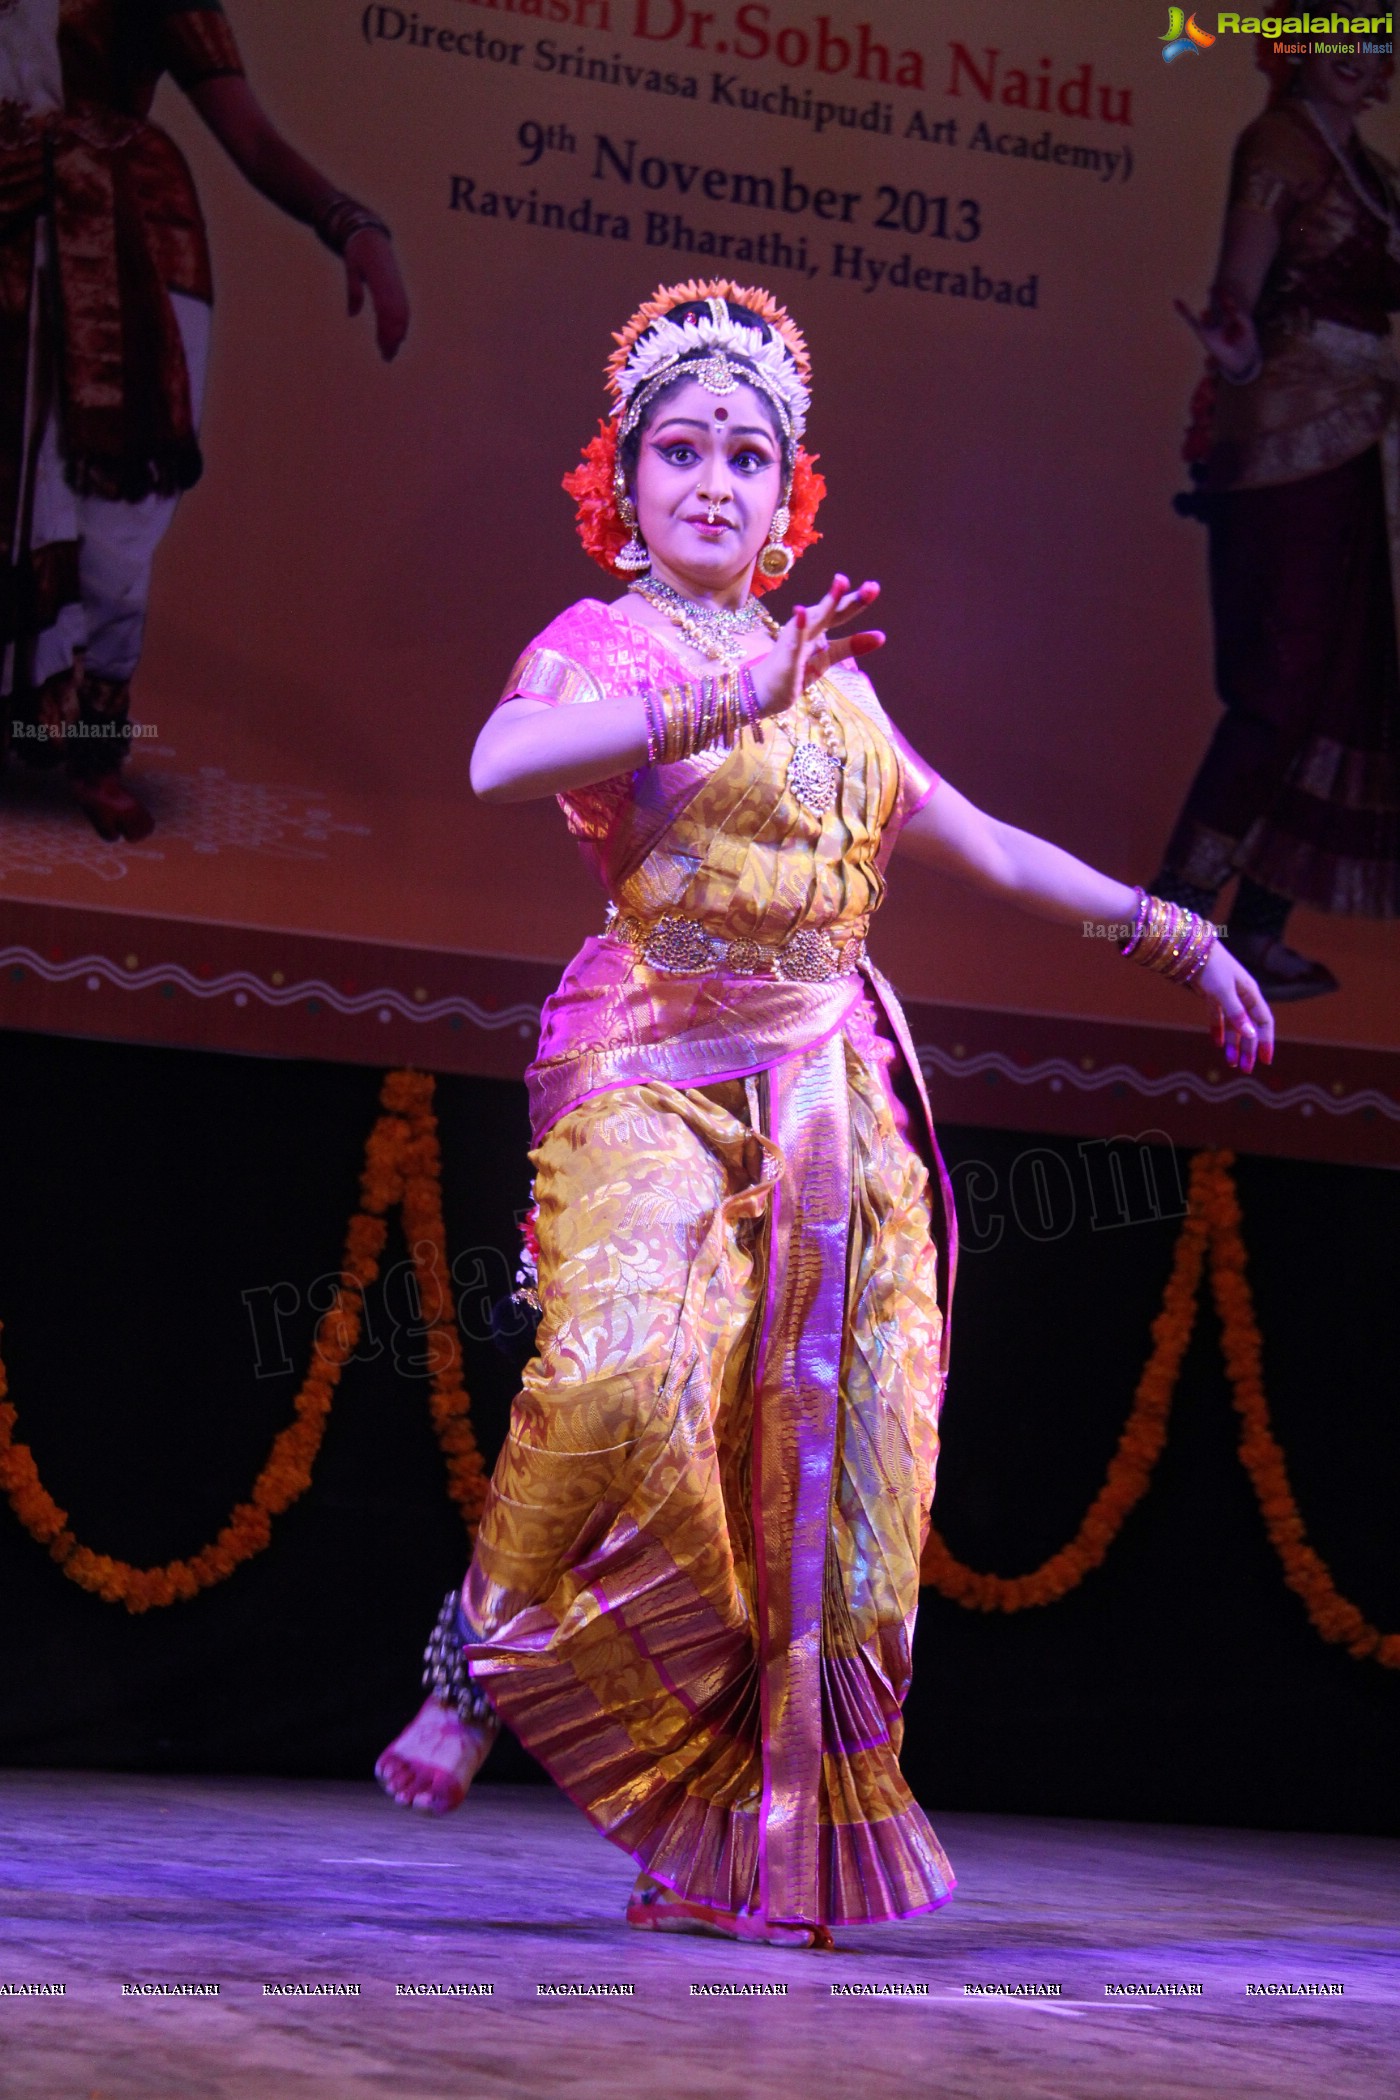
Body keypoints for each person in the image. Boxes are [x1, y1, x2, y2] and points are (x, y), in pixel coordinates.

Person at [375, 280, 1275, 1949]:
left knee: (815, 1503)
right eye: (678, 451)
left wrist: (1182, 934)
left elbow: (989, 847)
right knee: (614, 1375)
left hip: (828, 1098)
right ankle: (476, 1653)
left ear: (787, 490)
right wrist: (716, 702)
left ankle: (726, 1838)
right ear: (624, 481)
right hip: (651, 1070)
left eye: (748, 455)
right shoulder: (604, 644)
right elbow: (504, 760)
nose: (713, 481)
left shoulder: (834, 681)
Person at [1, 0, 408, 843]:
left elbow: (250, 136)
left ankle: (96, 750)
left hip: (122, 246)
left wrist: (352, 224)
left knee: (113, 520)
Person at [1157, 44, 1400, 999]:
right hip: (1281, 451)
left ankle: (1257, 926)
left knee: (1344, 691)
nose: (1360, 55)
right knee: (1283, 685)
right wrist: (1240, 354)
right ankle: (1178, 907)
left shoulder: (1375, 175)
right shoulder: (1277, 144)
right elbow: (1237, 304)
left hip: (1361, 453)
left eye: (1375, 34)